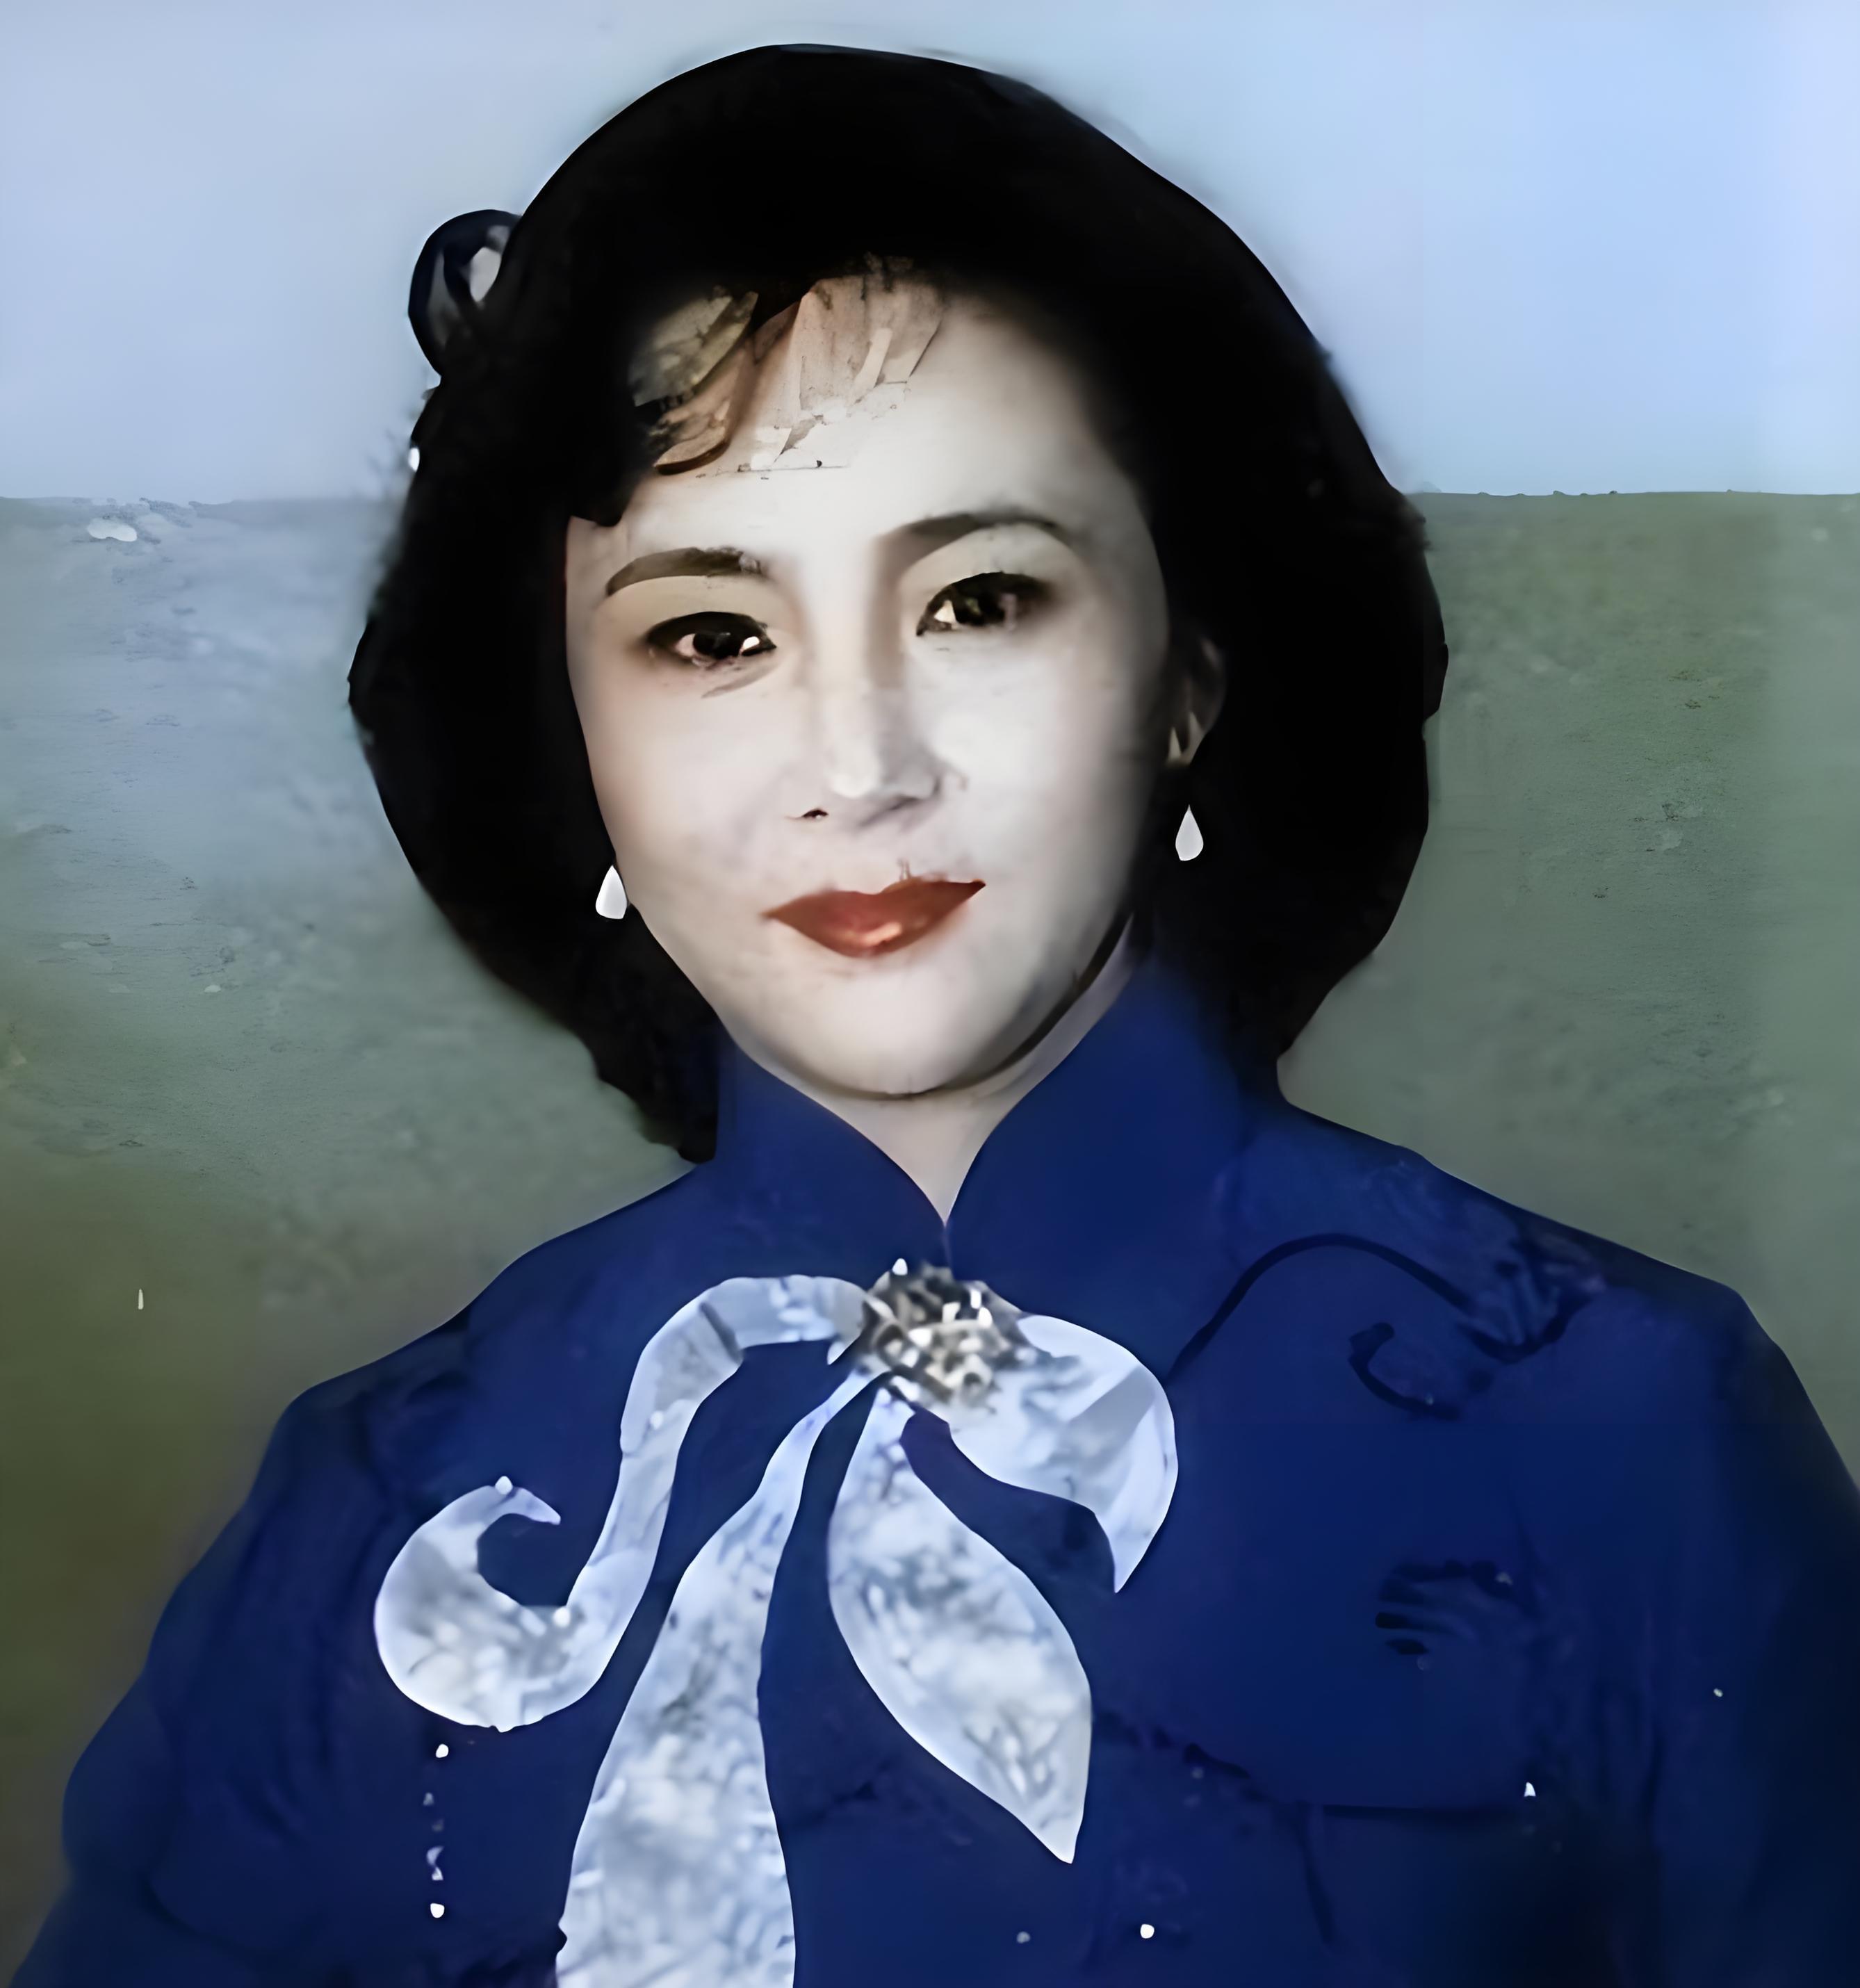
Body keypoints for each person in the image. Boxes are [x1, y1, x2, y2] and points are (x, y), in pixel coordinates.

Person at [19, 43, 1860, 1988]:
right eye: (709, 634)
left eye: (979, 602)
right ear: (576, 748)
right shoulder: (375, 1502)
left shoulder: (1623, 1434)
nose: (858, 767)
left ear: (1187, 674)